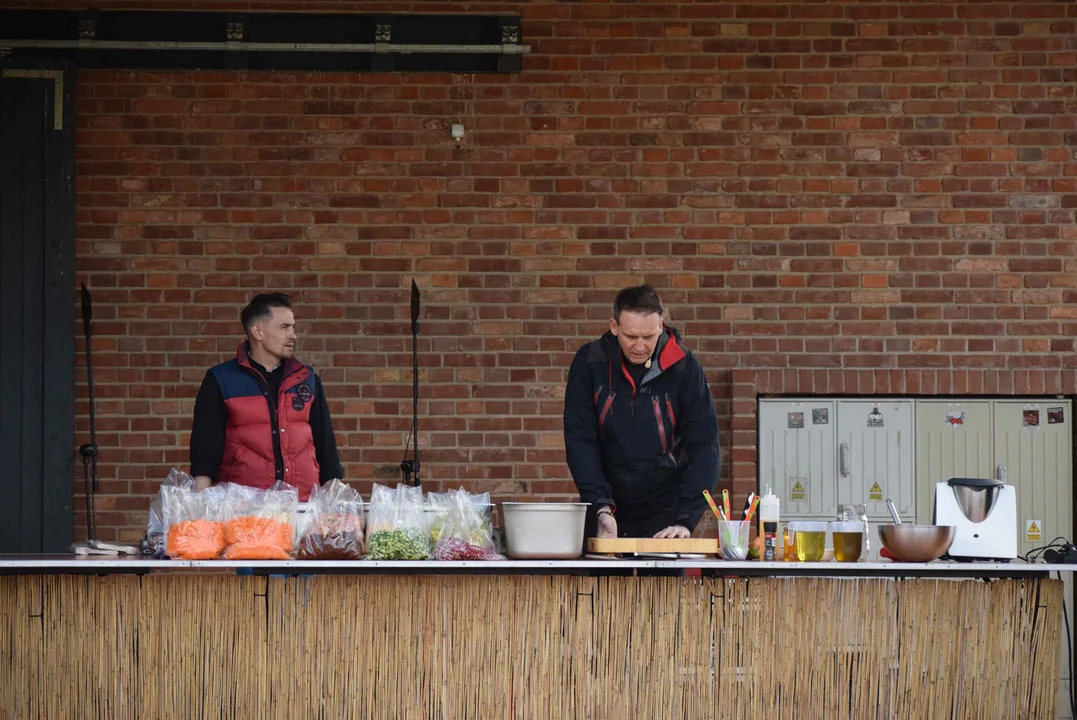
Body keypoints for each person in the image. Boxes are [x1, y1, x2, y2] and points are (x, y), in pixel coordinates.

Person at [563, 285, 720, 539]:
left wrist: (685, 520)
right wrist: (600, 506)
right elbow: (580, 440)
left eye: (648, 337)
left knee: (663, 581)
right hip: (607, 503)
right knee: (604, 581)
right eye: (630, 336)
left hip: (666, 508)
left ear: (660, 326)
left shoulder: (684, 367)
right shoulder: (590, 363)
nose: (639, 346)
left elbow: (706, 446)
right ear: (614, 326)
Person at [189, 292, 344, 501]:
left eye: (293, 327)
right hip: (245, 509)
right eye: (284, 327)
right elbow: (205, 446)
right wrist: (199, 503)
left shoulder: (306, 379)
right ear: (258, 332)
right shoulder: (221, 379)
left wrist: (335, 496)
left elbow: (326, 444)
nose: (293, 335)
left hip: (303, 505)